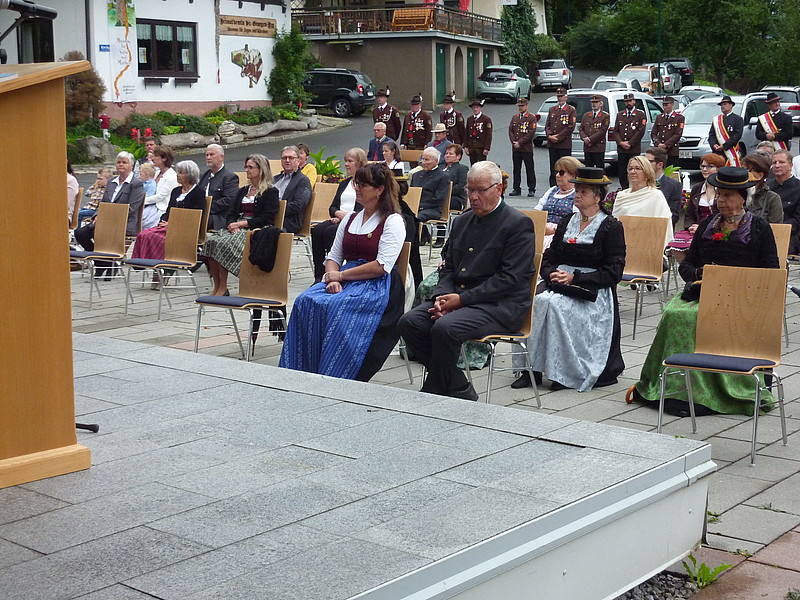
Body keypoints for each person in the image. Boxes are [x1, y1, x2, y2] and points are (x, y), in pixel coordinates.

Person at [631, 166, 780, 416]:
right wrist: (700, 273)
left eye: (728, 196)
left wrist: (737, 280)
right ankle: (676, 385)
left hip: (742, 298)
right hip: (702, 292)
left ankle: (712, 388)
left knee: (695, 318)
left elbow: (770, 272)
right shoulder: (707, 225)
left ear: (742, 199)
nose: (721, 200)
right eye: (719, 194)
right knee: (675, 314)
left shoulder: (759, 228)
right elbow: (686, 266)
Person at [398, 161, 536, 401]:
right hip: (461, 299)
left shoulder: (517, 224)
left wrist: (460, 300)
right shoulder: (462, 221)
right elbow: (448, 267)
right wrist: (442, 298)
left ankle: (434, 390)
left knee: (445, 328)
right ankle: (458, 385)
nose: (473, 197)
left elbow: (509, 279)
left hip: (499, 305)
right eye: (469, 190)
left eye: (480, 190)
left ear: (498, 189)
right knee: (409, 322)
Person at [280, 163, 406, 381]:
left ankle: (337, 373)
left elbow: (381, 265)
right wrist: (332, 279)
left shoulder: (392, 220)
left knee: (338, 308)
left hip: (377, 284)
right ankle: (302, 369)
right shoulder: (350, 219)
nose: (357, 188)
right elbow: (334, 256)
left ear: (379, 190)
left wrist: (340, 276)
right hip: (345, 278)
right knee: (304, 301)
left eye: (363, 185)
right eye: (357, 183)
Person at [512, 166, 625, 391]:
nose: (577, 195)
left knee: (554, 305)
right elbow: (549, 257)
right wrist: (550, 273)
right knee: (534, 301)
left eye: (583, 191)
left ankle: (562, 372)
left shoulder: (611, 227)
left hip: (591, 289)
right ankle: (530, 369)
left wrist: (575, 278)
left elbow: (614, 272)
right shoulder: (567, 221)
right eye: (577, 190)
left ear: (597, 197)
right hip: (558, 282)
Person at [201, 154, 280, 296]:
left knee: (223, 244)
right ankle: (218, 285)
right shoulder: (243, 190)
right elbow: (231, 212)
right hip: (237, 226)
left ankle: (223, 286)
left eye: (250, 167)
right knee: (211, 242)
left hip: (254, 229)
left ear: (261, 170)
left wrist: (243, 223)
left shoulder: (270, 191)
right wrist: (232, 224)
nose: (246, 170)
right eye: (246, 167)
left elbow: (267, 218)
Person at [310, 148, 369, 281]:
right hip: (338, 218)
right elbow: (332, 206)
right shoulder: (344, 183)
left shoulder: (365, 185)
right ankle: (319, 275)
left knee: (330, 232)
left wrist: (346, 217)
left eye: (350, 161)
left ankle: (334, 271)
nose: (346, 164)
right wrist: (337, 213)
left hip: (354, 220)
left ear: (359, 163)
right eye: (345, 161)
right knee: (317, 231)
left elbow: (364, 207)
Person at [131, 161, 205, 261]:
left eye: (181, 172)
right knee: (143, 234)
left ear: (190, 174)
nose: (177, 175)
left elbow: (194, 218)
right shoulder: (176, 191)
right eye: (177, 172)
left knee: (153, 237)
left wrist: (172, 224)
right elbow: (168, 211)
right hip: (169, 227)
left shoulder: (199, 192)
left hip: (185, 230)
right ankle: (143, 263)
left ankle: (159, 265)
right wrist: (163, 222)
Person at [74, 151, 145, 251]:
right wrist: (97, 216)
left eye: (124, 162)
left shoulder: (136, 184)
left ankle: (102, 257)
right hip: (105, 222)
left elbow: (132, 209)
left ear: (131, 166)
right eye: (118, 162)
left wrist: (107, 218)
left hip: (124, 222)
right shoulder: (111, 181)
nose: (121, 164)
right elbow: (103, 203)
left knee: (98, 232)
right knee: (80, 233)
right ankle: (97, 256)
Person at [612, 155, 672, 249]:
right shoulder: (621, 196)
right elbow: (614, 223)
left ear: (647, 173)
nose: (633, 172)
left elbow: (663, 224)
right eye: (630, 169)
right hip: (622, 245)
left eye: (637, 168)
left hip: (648, 246)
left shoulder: (656, 196)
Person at [533, 156, 581, 248]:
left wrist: (555, 230)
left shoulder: (577, 194)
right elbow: (537, 212)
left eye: (562, 172)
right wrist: (539, 225)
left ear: (573, 175)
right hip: (541, 230)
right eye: (557, 172)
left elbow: (576, 221)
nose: (557, 175)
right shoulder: (552, 190)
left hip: (561, 234)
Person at [197, 143, 239, 231]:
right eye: (207, 155)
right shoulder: (203, 176)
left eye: (211, 154)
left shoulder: (230, 177)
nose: (208, 157)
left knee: (194, 222)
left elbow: (228, 201)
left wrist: (206, 208)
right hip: (202, 213)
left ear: (221, 157)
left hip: (218, 217)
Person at [273, 145, 313, 234]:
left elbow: (298, 205)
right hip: (269, 217)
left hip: (288, 222)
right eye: (284, 158)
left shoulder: (302, 180)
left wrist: (275, 210)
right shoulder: (275, 179)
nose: (287, 160)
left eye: (291, 158)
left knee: (265, 230)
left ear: (298, 161)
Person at [614, 92, 647, 189]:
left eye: (630, 101)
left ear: (634, 101)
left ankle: (634, 188)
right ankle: (624, 189)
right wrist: (620, 142)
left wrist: (630, 143)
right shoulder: (620, 115)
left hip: (633, 149)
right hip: (622, 149)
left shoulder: (640, 114)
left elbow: (640, 131)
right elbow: (615, 131)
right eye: (626, 101)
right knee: (622, 172)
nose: (628, 103)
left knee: (634, 171)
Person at [684, 153, 724, 233]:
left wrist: (702, 228)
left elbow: (726, 217)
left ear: (719, 168)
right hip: (695, 231)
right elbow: (689, 214)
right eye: (703, 166)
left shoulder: (724, 189)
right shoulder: (697, 188)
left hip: (717, 231)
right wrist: (691, 226)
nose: (705, 169)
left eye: (710, 166)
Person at [769, 150, 800, 252]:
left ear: (791, 165)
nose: (777, 165)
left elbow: (797, 220)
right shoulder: (766, 187)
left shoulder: (798, 188)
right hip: (764, 231)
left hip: (790, 234)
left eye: (781, 162)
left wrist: (778, 229)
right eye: (774, 163)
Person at [545, 88, 577, 187]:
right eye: (558, 96)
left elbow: (571, 126)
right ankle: (553, 186)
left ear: (566, 97)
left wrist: (558, 137)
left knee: (565, 167)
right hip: (552, 144)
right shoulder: (552, 109)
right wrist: (549, 135)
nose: (559, 98)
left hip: (564, 144)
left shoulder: (570, 110)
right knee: (553, 167)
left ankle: (565, 186)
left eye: (561, 96)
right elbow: (548, 125)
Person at [410, 147, 451, 223]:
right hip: (414, 207)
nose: (423, 162)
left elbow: (438, 199)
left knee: (415, 218)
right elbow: (411, 194)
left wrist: (420, 206)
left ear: (436, 161)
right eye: (422, 159)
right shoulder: (416, 175)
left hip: (432, 209)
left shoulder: (443, 177)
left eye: (426, 160)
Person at [645, 146, 683, 226]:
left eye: (648, 162)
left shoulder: (673, 185)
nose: (644, 165)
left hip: (661, 228)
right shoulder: (640, 183)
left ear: (660, 164)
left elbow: (674, 216)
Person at [508, 97, 538, 197]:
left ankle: (531, 188)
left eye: (522, 106)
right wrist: (514, 142)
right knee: (516, 169)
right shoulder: (515, 117)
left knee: (529, 168)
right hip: (516, 148)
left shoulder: (531, 117)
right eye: (519, 106)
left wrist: (520, 142)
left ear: (526, 106)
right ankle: (516, 188)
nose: (520, 108)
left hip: (526, 148)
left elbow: (531, 132)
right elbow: (511, 130)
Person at [142, 146, 177, 230]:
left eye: (156, 156)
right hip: (150, 205)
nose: (153, 158)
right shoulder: (157, 172)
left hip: (160, 208)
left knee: (143, 220)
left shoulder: (171, 176)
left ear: (164, 159)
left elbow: (160, 196)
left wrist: (142, 200)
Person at [743, 153, 783, 223]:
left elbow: (776, 227)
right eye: (742, 169)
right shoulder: (736, 194)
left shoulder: (772, 198)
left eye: (748, 170)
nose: (743, 173)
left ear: (760, 175)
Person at [709, 95, 744, 166]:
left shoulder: (738, 119)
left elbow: (737, 136)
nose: (722, 106)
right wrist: (714, 145)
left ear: (731, 105)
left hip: (730, 150)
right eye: (721, 105)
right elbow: (711, 135)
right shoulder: (716, 120)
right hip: (717, 152)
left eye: (725, 104)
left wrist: (724, 146)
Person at [650, 96, 685, 167]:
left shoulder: (679, 118)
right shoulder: (659, 117)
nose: (664, 107)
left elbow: (678, 134)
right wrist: (658, 143)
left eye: (666, 105)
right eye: (663, 105)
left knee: (672, 170)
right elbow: (653, 133)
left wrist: (666, 145)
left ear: (672, 105)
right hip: (660, 150)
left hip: (672, 150)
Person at [579, 94, 610, 170]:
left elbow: (602, 131)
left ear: (601, 104)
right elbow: (581, 128)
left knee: (599, 169)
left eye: (596, 102)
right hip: (587, 147)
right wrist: (585, 138)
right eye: (593, 102)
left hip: (598, 147)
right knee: (588, 168)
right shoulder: (586, 115)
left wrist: (590, 139)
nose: (594, 104)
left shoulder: (605, 116)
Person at [464, 99, 493, 165]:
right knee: (473, 165)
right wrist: (465, 146)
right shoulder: (470, 119)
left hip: (481, 147)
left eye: (477, 107)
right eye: (473, 108)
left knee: (481, 165)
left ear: (480, 108)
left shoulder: (486, 119)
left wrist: (487, 148)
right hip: (471, 147)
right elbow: (467, 133)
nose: (475, 109)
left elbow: (488, 135)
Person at [442, 144, 469, 211]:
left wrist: (442, 192)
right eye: (446, 153)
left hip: (456, 199)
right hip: (439, 196)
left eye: (450, 154)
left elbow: (461, 186)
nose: (447, 155)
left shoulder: (462, 168)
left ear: (458, 156)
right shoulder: (440, 168)